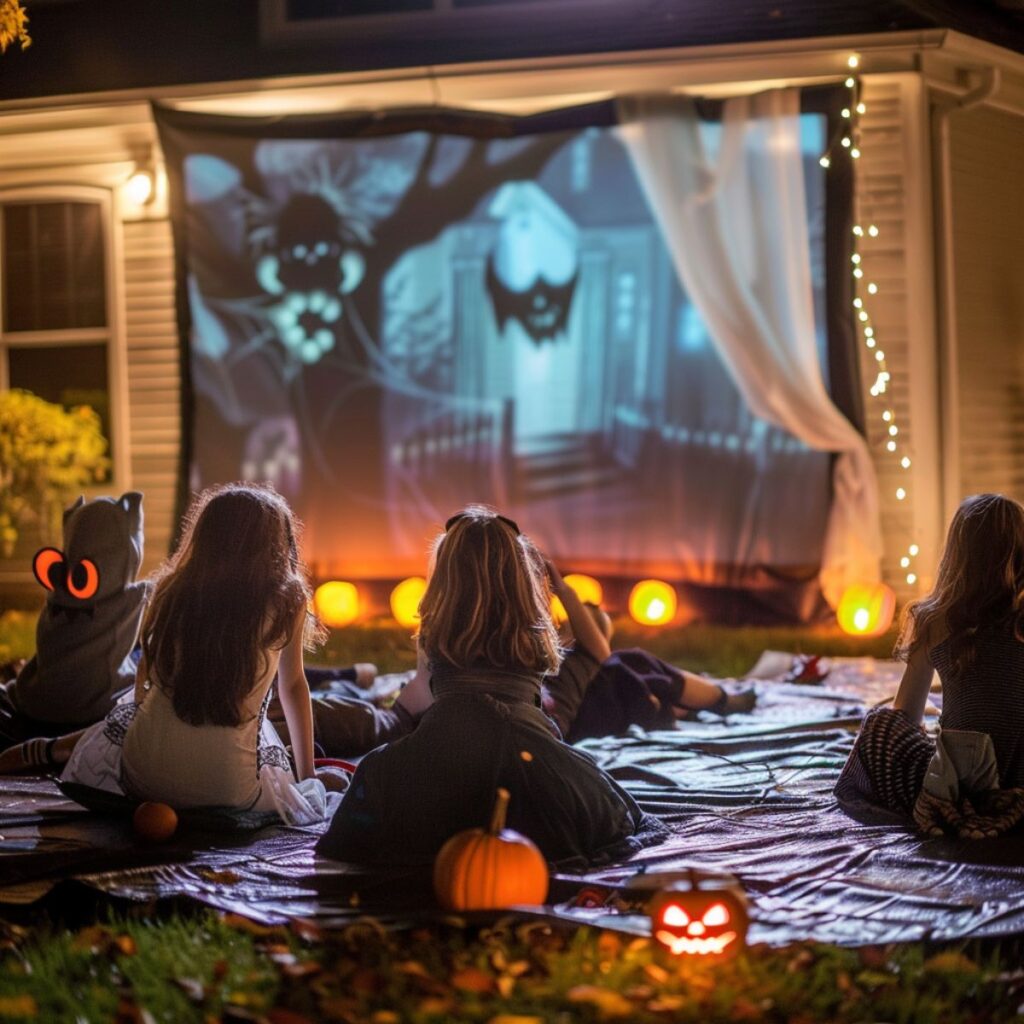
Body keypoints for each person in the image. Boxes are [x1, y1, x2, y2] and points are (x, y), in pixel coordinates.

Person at [317, 505, 665, 866]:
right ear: (523, 579)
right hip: (536, 759)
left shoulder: (435, 630)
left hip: (442, 750)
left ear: (443, 582)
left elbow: (422, 695)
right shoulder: (532, 629)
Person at [0, 484, 336, 824]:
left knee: (127, 720)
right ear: (278, 543)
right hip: (230, 789)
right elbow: (292, 687)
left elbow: (142, 690)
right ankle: (53, 747)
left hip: (143, 777)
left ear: (205, 537)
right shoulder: (286, 601)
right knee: (301, 784)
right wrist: (308, 776)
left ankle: (52, 747)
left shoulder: (172, 589)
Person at [836, 493, 1024, 835]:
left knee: (881, 723)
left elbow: (906, 714)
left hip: (956, 789)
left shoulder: (933, 619)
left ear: (956, 554)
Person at [543, 558, 756, 742]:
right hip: (557, 727)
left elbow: (601, 654)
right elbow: (602, 655)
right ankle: (709, 702)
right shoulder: (552, 650)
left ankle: (704, 703)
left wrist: (564, 591)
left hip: (567, 721)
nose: (585, 610)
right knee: (630, 665)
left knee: (628, 671)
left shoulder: (579, 657)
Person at [0, 493, 148, 748]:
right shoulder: (127, 601)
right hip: (92, 710)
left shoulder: (57, 592)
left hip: (36, 703)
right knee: (140, 670)